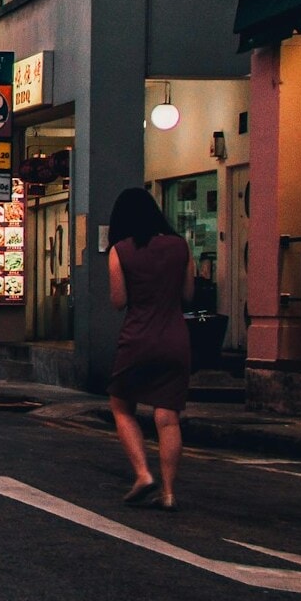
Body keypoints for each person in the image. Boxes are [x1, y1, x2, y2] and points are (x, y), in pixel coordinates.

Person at [107, 187, 194, 512]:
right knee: (168, 417)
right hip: (175, 338)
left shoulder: (121, 250)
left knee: (121, 407)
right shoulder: (180, 247)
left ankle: (143, 474)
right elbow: (188, 296)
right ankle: (169, 492)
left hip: (138, 338)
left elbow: (119, 301)